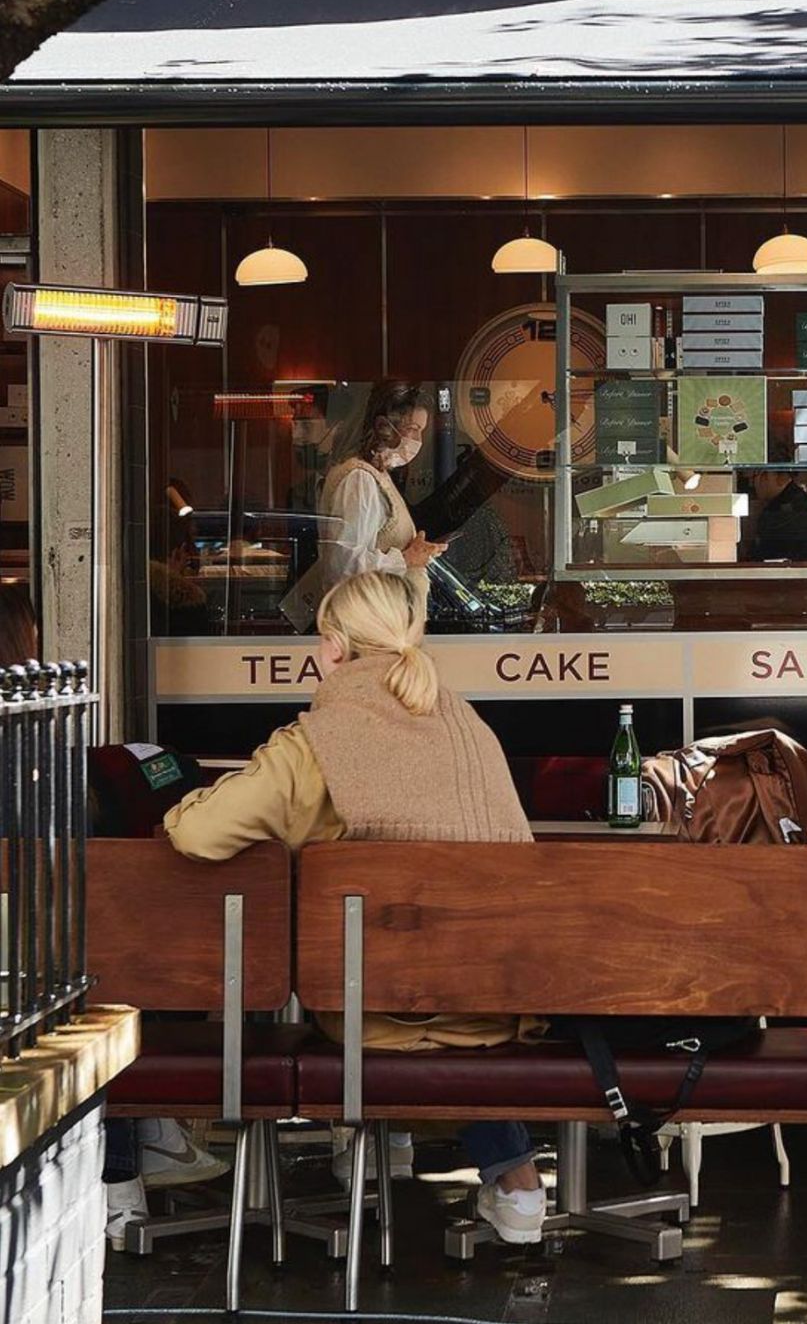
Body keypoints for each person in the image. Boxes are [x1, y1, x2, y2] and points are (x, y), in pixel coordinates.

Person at [157, 571, 549, 1246]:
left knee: (316, 966)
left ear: (333, 648)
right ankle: (512, 1176)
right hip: (491, 1011)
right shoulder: (472, 731)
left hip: (370, 1023)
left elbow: (195, 835)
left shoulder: (315, 744)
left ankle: (361, 1153)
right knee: (434, 966)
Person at [281, 384, 443, 632]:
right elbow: (343, 566)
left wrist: (416, 552)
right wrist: (406, 559)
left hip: (383, 627)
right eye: (412, 429)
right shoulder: (359, 479)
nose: (416, 440)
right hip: (371, 631)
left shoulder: (376, 474)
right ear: (383, 427)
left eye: (420, 431)